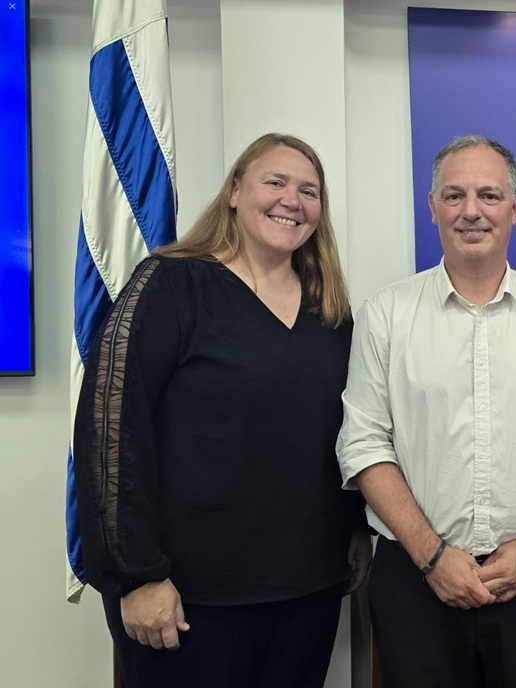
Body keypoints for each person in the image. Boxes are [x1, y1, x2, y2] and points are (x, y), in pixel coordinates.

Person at [73, 133, 371, 688]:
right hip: (187, 598)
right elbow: (111, 431)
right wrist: (136, 577)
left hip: (308, 588)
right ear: (235, 190)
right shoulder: (169, 283)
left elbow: (342, 430)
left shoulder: (327, 307)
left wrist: (355, 526)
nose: (292, 200)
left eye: (309, 191)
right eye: (275, 182)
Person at [337, 135, 516, 687]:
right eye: (454, 195)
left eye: (489, 194)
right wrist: (432, 556)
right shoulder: (385, 314)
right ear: (432, 207)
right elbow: (363, 445)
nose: (471, 211)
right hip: (415, 580)